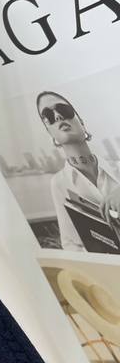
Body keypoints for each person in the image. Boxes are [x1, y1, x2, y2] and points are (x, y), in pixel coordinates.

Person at [36, 90, 120, 252]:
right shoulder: (59, 183)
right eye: (48, 116)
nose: (58, 117)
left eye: (63, 110)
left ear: (81, 122)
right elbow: (71, 244)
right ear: (50, 132)